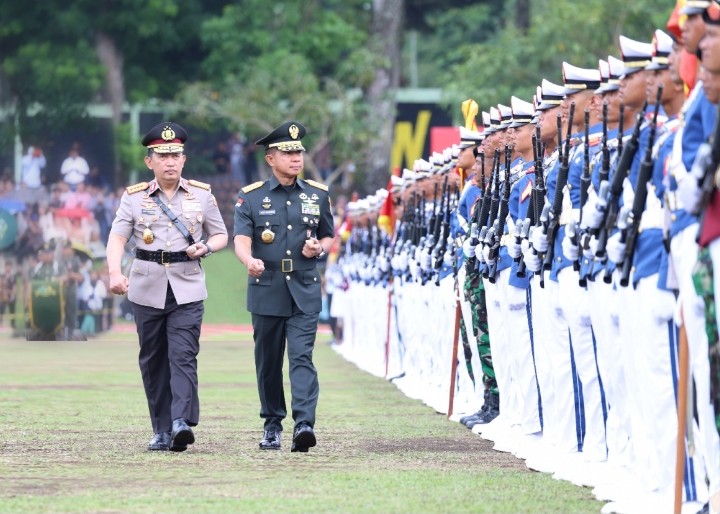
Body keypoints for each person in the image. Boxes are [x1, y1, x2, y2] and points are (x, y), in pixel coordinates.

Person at [106, 121, 228, 452]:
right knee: (153, 358)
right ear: (150, 161)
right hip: (146, 285)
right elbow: (117, 237)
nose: (170, 161)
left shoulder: (202, 195)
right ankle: (161, 429)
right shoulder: (133, 198)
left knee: (183, 354)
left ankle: (180, 422)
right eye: (163, 155)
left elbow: (220, 234)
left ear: (184, 159)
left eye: (175, 155)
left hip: (187, 285)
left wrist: (207, 247)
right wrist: (115, 273)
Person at [233, 121, 334, 452]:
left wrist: (320, 247)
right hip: (267, 285)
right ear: (270, 158)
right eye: (287, 152)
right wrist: (249, 261)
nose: (295, 158)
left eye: (299, 152)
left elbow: (328, 234)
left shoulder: (317, 195)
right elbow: (241, 240)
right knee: (268, 360)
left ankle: (304, 423)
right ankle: (272, 423)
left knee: (302, 356)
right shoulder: (251, 198)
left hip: (304, 286)